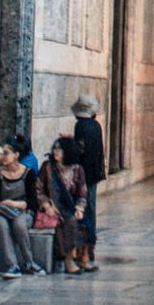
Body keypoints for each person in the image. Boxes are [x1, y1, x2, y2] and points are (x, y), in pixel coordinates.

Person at [0, 135, 44, 279]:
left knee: (19, 224)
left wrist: (12, 204)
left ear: (16, 155)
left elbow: (32, 202)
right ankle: (12, 265)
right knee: (0, 223)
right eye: (2, 153)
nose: (3, 157)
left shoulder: (28, 173)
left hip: (22, 211)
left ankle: (29, 262)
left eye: (6, 153)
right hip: (1, 212)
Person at [37, 138, 90, 275]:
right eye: (55, 149)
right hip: (53, 205)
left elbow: (82, 193)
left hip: (70, 205)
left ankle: (81, 256)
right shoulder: (47, 167)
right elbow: (38, 189)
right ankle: (67, 259)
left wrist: (80, 208)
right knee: (68, 222)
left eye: (60, 149)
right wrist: (45, 204)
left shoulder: (76, 169)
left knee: (84, 221)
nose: (56, 152)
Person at [71, 94, 105, 271]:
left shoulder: (80, 126)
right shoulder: (96, 126)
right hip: (94, 174)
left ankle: (84, 250)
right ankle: (90, 249)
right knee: (91, 208)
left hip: (83, 175)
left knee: (83, 211)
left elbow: (80, 150)